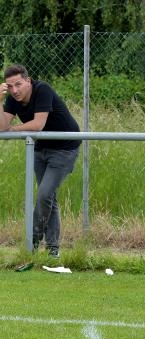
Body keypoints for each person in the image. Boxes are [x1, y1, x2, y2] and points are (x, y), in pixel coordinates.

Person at [0, 64, 81, 258]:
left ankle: (34, 240)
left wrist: (13, 130)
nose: (15, 90)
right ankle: (52, 249)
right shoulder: (12, 98)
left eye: (18, 84)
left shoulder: (42, 89)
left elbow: (38, 124)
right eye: (10, 87)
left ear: (28, 81)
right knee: (49, 198)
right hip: (40, 149)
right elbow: (3, 126)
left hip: (64, 148)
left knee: (45, 194)